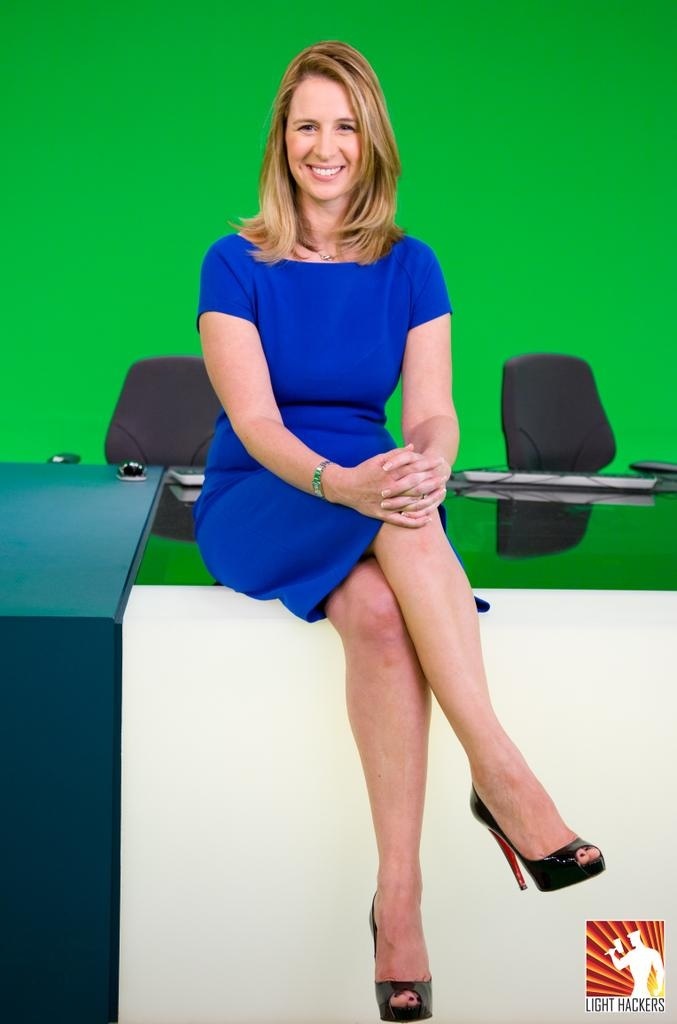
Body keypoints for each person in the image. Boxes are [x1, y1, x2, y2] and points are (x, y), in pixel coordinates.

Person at [194, 40, 606, 1023]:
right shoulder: (233, 261)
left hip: (371, 474)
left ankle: (399, 901)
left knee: (384, 600)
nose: (324, 146)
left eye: (344, 126)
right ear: (280, 140)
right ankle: (500, 775)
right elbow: (255, 422)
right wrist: (343, 483)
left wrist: (426, 461)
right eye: (306, 126)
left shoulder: (411, 265)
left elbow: (430, 413)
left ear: (370, 140)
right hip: (271, 482)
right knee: (395, 514)